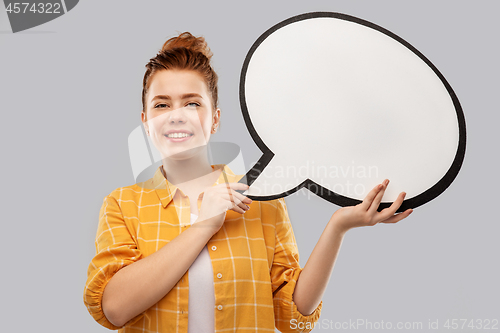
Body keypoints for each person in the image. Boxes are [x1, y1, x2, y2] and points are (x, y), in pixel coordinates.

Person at [83, 32, 413, 333]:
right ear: (146, 122)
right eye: (161, 105)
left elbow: (294, 317)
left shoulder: (263, 202)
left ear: (215, 118)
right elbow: (115, 308)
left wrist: (338, 226)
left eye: (192, 102)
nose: (176, 114)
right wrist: (203, 226)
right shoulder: (123, 204)